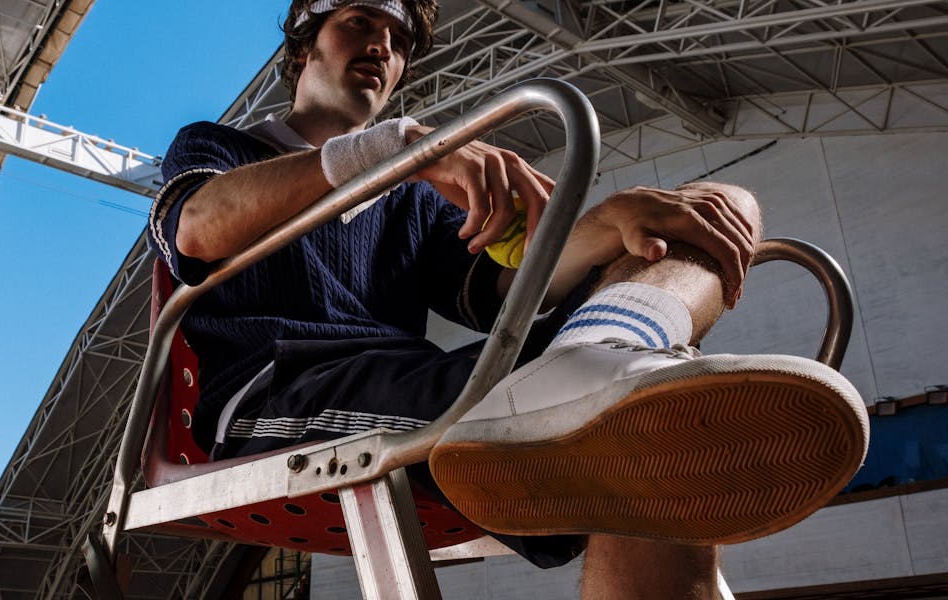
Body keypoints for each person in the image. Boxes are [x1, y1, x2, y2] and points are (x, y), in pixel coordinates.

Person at [148, 0, 869, 597]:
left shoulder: (409, 203)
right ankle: (590, 380)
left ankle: (603, 353)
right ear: (304, 46)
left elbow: (500, 298)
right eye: (361, 21)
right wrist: (401, 149)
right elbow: (198, 228)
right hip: (279, 400)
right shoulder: (220, 147)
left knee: (715, 208)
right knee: (624, 431)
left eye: (398, 40)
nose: (382, 45)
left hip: (415, 382)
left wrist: (607, 226)